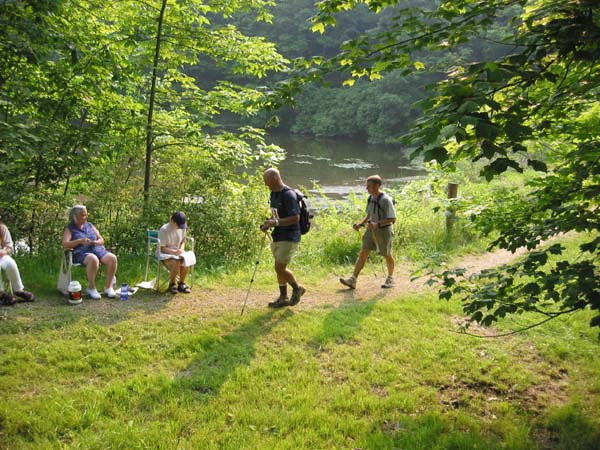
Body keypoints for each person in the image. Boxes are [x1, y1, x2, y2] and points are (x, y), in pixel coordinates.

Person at [340, 175, 396, 289]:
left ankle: (390, 278)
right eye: (367, 186)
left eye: (369, 186)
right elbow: (369, 215)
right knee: (363, 252)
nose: (367, 188)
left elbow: (392, 218)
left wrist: (377, 224)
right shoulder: (371, 198)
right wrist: (360, 224)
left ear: (377, 186)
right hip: (371, 230)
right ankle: (353, 279)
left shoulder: (386, 200)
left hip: (384, 231)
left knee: (387, 254)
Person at [260, 168, 306, 308]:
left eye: (266, 181)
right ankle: (283, 297)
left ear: (274, 179)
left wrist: (276, 223)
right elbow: (276, 216)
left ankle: (297, 289)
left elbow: (295, 218)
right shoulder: (273, 194)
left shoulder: (289, 195)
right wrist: (268, 223)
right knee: (279, 268)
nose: (265, 184)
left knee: (279, 267)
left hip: (289, 236)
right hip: (278, 235)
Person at [61, 205, 118, 300]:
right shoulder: (70, 228)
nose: (86, 217)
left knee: (112, 258)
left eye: (86, 215)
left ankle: (109, 287)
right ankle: (91, 288)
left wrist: (96, 242)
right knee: (93, 259)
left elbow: (101, 239)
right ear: (75, 216)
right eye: (83, 215)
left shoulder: (90, 225)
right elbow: (65, 244)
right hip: (80, 253)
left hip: (96, 249)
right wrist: (79, 241)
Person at [0, 213, 35, 306]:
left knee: (11, 263)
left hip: (1, 254)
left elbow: (9, 246)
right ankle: (2, 294)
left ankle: (18, 290)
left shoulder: (2, 228)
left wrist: (4, 252)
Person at [157, 211, 193, 294]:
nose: (179, 228)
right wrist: (174, 252)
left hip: (177, 252)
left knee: (186, 259)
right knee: (175, 261)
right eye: (178, 225)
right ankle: (172, 284)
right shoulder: (164, 230)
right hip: (165, 253)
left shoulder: (182, 228)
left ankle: (181, 283)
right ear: (172, 221)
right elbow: (162, 248)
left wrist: (181, 249)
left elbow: (183, 241)